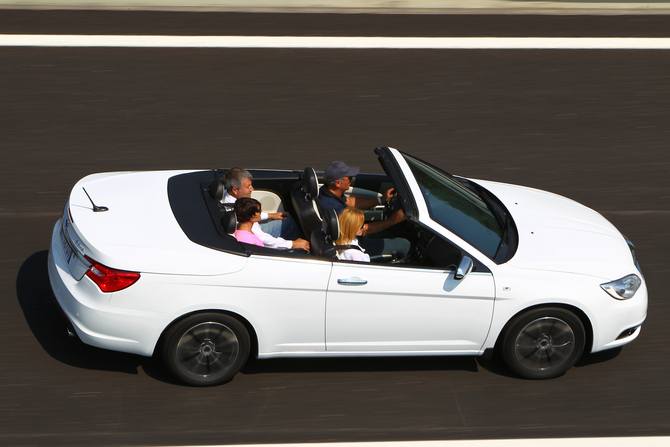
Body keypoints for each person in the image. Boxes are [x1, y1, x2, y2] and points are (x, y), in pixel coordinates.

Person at [317, 161, 410, 259]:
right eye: (349, 178)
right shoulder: (336, 210)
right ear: (338, 183)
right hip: (360, 243)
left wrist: (381, 200)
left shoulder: (326, 191)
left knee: (396, 231)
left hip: (354, 235)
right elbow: (362, 231)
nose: (352, 180)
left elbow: (350, 202)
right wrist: (393, 220)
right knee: (404, 244)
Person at [222, 168, 309, 251]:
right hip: (259, 238)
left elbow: (251, 215)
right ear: (235, 190)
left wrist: (271, 215)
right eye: (248, 187)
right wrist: (292, 244)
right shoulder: (234, 210)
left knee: (288, 222)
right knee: (299, 250)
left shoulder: (228, 194)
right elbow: (262, 238)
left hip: (256, 230)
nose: (252, 189)